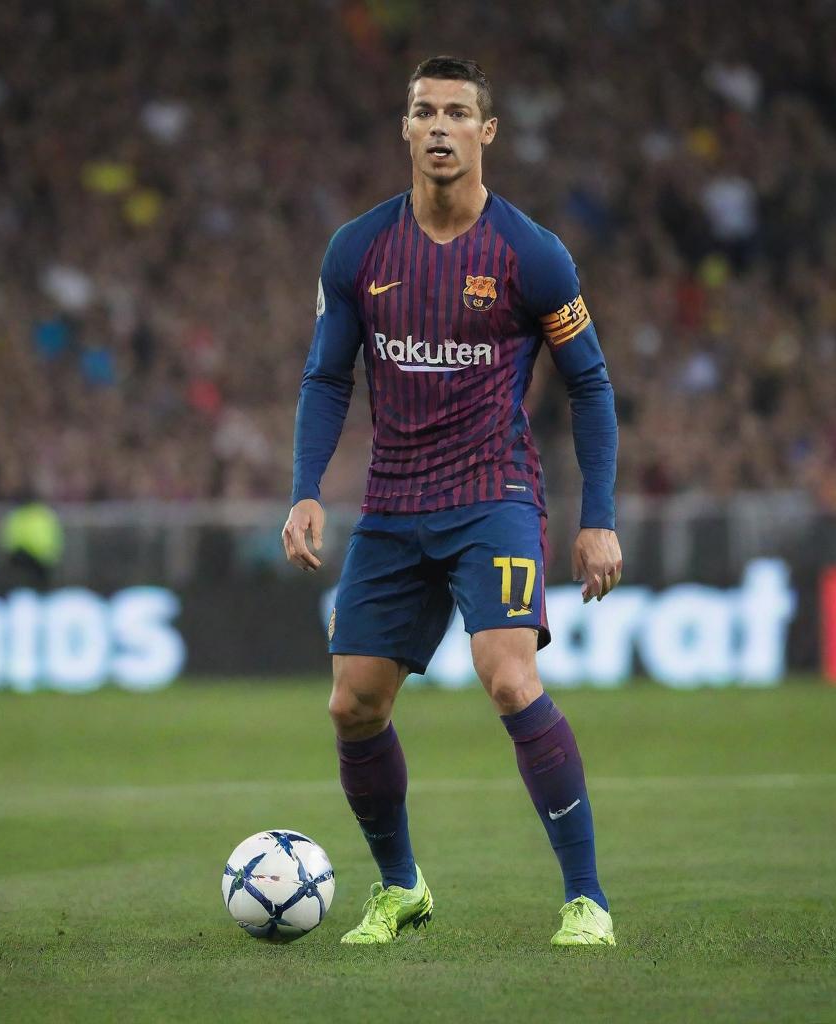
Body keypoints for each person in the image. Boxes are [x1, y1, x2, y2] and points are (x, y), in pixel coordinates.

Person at [282, 56, 622, 948]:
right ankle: (402, 888)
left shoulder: (532, 254)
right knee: (353, 704)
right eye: (424, 111)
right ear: (405, 128)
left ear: (486, 133)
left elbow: (591, 387)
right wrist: (307, 491)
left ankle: (585, 898)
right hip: (393, 503)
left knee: (509, 677)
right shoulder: (358, 249)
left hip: (493, 495)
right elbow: (326, 376)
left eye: (457, 113)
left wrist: (599, 517)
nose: (439, 126)